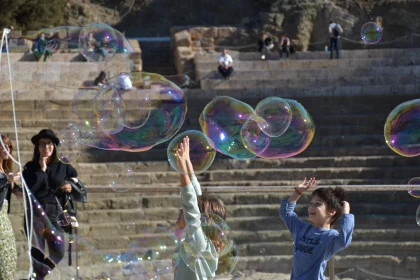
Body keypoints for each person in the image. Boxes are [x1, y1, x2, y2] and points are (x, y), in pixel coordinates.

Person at [23, 129, 78, 280]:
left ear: (54, 146)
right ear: (37, 147)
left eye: (49, 144)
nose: (46, 147)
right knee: (37, 256)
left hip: (54, 215)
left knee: (58, 252)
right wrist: (41, 170)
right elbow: (30, 190)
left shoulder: (63, 165)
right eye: (42, 144)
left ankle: (36, 278)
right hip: (35, 217)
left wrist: (70, 185)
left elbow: (75, 179)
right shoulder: (30, 167)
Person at [173, 136, 227, 280]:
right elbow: (196, 197)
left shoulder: (199, 244)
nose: (181, 211)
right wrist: (188, 164)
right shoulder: (195, 241)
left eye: (185, 212)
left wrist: (182, 170)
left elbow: (190, 204)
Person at [280, 178, 354, 280]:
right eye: (311, 203)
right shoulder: (301, 229)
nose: (311, 207)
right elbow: (286, 213)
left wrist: (346, 214)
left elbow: (344, 241)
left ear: (332, 211)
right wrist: (297, 193)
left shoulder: (330, 236)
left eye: (317, 204)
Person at [0, 135, 22, 280]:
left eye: (9, 146)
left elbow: (12, 188)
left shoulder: (6, 169)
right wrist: (6, 182)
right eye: (3, 146)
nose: (7, 149)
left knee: (8, 263)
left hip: (3, 220)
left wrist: (19, 189)